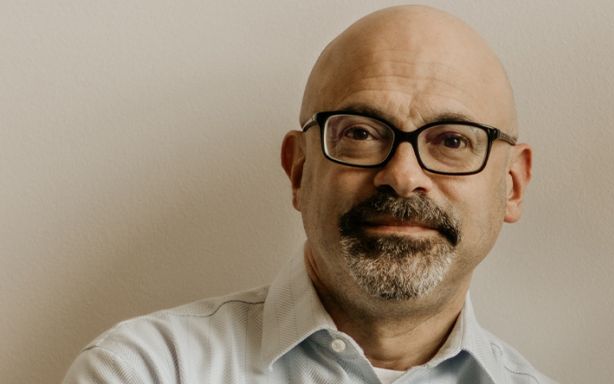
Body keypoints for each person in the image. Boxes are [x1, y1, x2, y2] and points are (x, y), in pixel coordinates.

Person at [63, 5, 555, 384]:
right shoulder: (147, 370)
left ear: (511, 186)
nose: (402, 176)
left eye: (452, 141)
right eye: (361, 133)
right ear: (299, 171)